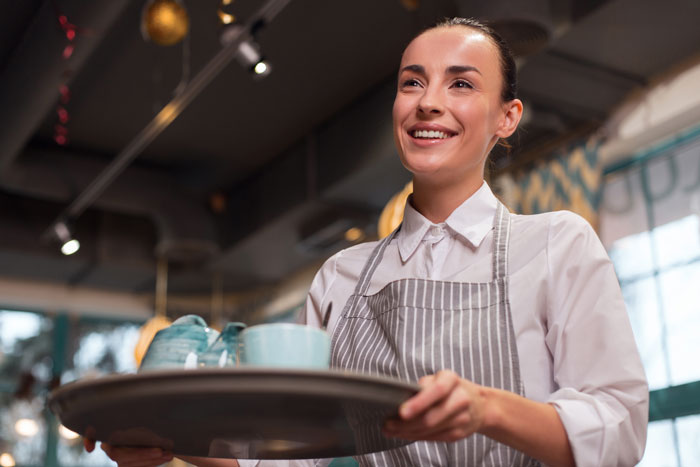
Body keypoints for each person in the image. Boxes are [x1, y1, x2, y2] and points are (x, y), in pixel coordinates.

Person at [86, 17, 648, 467]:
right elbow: (280, 455)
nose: (428, 101)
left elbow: (618, 431)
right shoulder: (341, 277)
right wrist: (162, 443)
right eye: (412, 82)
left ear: (507, 117)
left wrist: (486, 409)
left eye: (461, 83)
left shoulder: (557, 244)